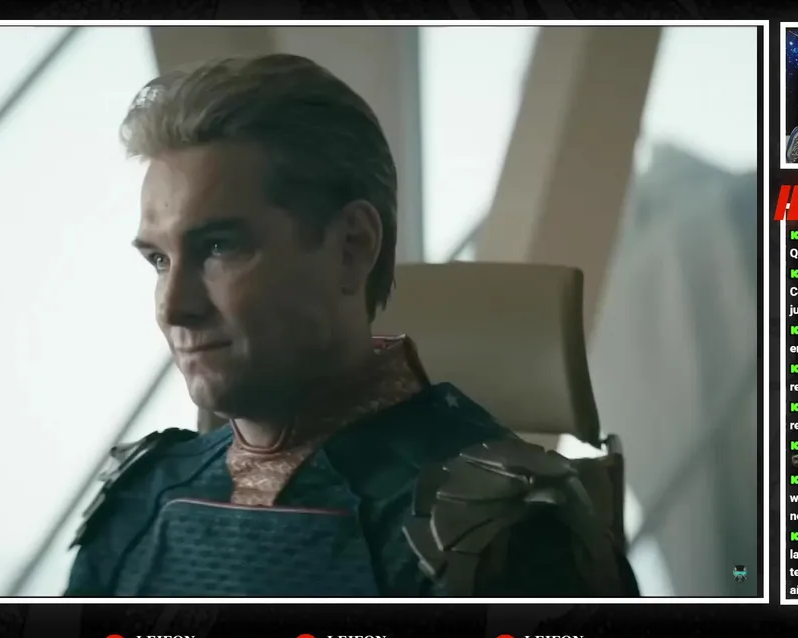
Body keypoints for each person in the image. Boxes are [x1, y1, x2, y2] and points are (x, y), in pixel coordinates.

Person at [64, 54, 639, 598]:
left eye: (218, 247)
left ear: (351, 247)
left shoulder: (502, 536)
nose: (172, 308)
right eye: (159, 260)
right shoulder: (138, 501)